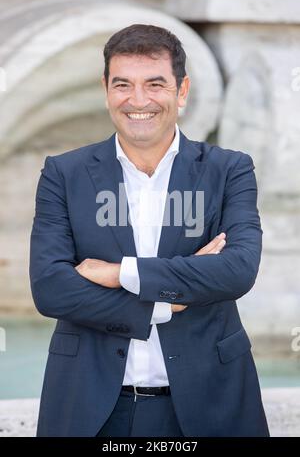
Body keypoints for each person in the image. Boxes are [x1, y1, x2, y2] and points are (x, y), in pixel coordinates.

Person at [30, 24, 269, 437]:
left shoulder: (229, 169)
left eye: (155, 84)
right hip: (89, 404)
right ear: (106, 89)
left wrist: (118, 272)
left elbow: (238, 269)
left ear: (182, 91)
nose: (138, 100)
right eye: (123, 84)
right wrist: (166, 303)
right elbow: (51, 288)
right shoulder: (63, 173)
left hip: (211, 401)